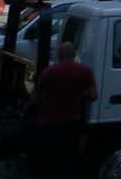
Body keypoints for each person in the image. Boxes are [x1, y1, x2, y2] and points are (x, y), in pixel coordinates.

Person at [27, 35, 95, 178]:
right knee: (69, 157)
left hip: (50, 123)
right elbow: (93, 96)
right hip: (73, 122)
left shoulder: (48, 72)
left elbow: (34, 99)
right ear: (74, 54)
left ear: (58, 55)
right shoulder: (85, 71)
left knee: (51, 158)